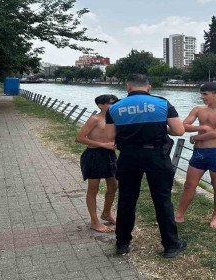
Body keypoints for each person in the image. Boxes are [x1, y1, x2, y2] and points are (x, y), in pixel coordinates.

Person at [105, 74, 187, 258]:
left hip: (128, 156)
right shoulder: (163, 103)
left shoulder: (115, 107)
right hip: (156, 155)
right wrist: (159, 128)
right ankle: (171, 245)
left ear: (128, 87)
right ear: (149, 88)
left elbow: (110, 136)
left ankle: (122, 243)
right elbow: (178, 130)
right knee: (162, 200)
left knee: (126, 199)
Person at [175, 82, 216, 229]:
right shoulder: (198, 109)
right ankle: (179, 215)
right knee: (189, 184)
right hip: (199, 153)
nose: (202, 97)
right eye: (201, 94)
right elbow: (184, 126)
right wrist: (201, 127)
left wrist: (195, 137)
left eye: (205, 94)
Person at [74, 94, 119, 233]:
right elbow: (80, 138)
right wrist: (102, 144)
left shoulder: (115, 119)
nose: (114, 105)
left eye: (115, 103)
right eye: (111, 103)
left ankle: (106, 213)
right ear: (101, 105)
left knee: (113, 185)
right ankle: (94, 222)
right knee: (93, 188)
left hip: (109, 155)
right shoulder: (95, 119)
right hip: (94, 155)